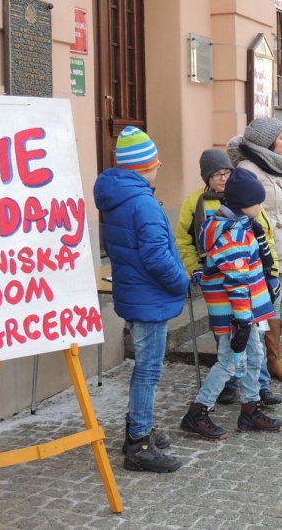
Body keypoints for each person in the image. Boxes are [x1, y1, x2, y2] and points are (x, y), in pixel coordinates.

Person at [93, 126, 188, 473]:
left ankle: (139, 428)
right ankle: (139, 443)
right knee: (148, 371)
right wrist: (182, 283)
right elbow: (158, 257)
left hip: (137, 294)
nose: (159, 169)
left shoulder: (121, 197)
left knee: (146, 369)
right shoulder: (142, 203)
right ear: (145, 166)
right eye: (157, 163)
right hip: (149, 297)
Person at [180, 168, 282, 440]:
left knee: (256, 356)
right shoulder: (232, 237)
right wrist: (242, 322)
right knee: (228, 361)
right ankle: (198, 412)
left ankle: (250, 408)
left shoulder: (239, 226)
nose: (260, 207)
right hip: (236, 314)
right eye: (257, 202)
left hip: (246, 312)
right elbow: (237, 284)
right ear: (242, 204)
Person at [231, 117, 282, 383]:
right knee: (268, 305)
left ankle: (269, 360)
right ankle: (269, 361)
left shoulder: (275, 164)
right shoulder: (249, 168)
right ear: (267, 141)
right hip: (265, 246)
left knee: (276, 302)